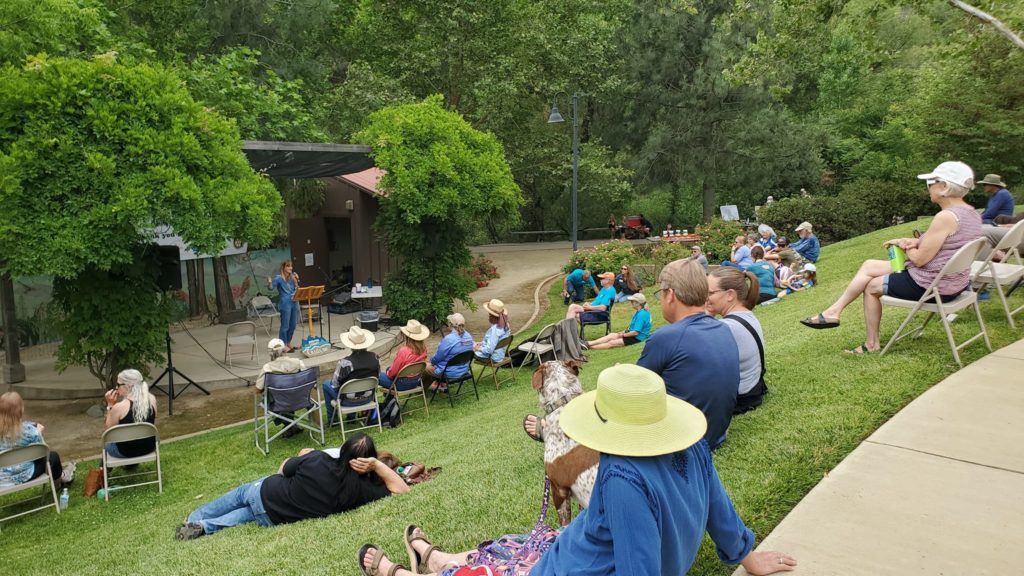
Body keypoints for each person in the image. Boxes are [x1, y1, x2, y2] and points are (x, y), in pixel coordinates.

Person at [356, 365, 796, 576]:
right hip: (569, 551)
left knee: (503, 566)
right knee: (514, 548)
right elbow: (720, 512)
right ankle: (433, 558)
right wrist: (750, 560)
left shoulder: (624, 478)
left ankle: (403, 572)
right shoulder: (694, 448)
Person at [800, 161, 983, 354]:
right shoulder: (971, 214)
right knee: (869, 265)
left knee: (871, 286)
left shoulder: (945, 217)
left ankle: (871, 344)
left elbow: (920, 260)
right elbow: (945, 243)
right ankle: (833, 312)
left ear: (944, 187)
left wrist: (903, 246)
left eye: (930, 182)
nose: (928, 187)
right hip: (954, 282)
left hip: (934, 286)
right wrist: (913, 241)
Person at [176, 433, 408, 541]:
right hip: (273, 516)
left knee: (239, 495)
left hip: (265, 490)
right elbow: (402, 489)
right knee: (247, 515)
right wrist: (377, 465)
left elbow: (285, 467)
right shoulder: (360, 491)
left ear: (343, 450)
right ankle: (204, 526)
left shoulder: (319, 459)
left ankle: (195, 517)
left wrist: (303, 457)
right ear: (368, 461)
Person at [638, 259, 740, 449]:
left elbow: (635, 390)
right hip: (715, 434)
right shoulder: (723, 328)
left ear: (670, 295)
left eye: (660, 293)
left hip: (683, 442)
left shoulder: (666, 337)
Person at [707, 268, 768, 413]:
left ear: (730, 295)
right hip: (752, 390)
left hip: (739, 399)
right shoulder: (746, 315)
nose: (705, 298)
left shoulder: (726, 327)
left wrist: (706, 316)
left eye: (710, 293)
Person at [0, 392, 75, 488]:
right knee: (53, 457)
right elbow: (44, 452)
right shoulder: (29, 432)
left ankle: (63, 476)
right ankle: (59, 483)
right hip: (25, 474)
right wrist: (38, 432)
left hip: (2, 479)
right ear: (21, 410)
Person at [323, 326, 380, 425]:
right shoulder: (376, 358)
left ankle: (333, 420)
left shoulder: (345, 363)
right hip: (369, 398)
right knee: (350, 387)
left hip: (347, 401)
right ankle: (351, 418)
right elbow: (377, 377)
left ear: (350, 345)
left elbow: (335, 385)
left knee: (326, 384)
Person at [255, 338, 309, 439]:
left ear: (270, 353)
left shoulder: (267, 367)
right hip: (300, 400)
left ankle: (289, 425)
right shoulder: (298, 362)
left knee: (275, 396)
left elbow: (257, 390)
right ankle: (291, 425)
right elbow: (308, 382)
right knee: (288, 392)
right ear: (284, 350)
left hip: (278, 403)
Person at [104, 369, 157, 459]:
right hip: (149, 447)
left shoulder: (119, 407)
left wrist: (110, 405)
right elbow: (152, 421)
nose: (116, 388)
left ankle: (103, 470)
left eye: (118, 385)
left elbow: (109, 431)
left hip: (124, 451)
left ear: (128, 386)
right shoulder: (151, 399)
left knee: (107, 443)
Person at [423, 313, 474, 390]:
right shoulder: (469, 337)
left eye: (448, 321)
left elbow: (437, 358)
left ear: (450, 324)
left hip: (449, 373)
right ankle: (431, 386)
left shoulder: (449, 339)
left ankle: (421, 389)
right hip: (464, 371)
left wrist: (432, 362)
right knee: (433, 366)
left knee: (425, 366)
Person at [584, 292, 651, 350]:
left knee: (612, 342)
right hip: (632, 335)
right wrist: (622, 332)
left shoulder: (642, 314)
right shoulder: (639, 312)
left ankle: (589, 346)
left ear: (638, 303)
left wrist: (623, 335)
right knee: (611, 335)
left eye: (632, 301)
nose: (631, 302)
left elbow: (635, 332)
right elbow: (632, 327)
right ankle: (589, 343)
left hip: (637, 338)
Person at [379, 320, 430, 391]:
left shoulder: (404, 351)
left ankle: (389, 400)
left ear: (407, 336)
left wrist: (389, 373)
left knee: (376, 376)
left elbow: (392, 373)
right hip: (416, 381)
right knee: (389, 369)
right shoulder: (424, 349)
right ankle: (390, 401)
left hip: (401, 384)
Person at [268, 260, 300, 351]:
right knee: (285, 325)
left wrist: (297, 280)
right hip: (285, 304)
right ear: (283, 267)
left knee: (293, 325)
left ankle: (288, 342)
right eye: (288, 266)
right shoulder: (278, 278)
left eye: (291, 266)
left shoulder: (292, 277)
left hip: (295, 302)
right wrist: (270, 282)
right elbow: (270, 288)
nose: (290, 268)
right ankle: (283, 344)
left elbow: (297, 289)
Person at [475, 299, 512, 363]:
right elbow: (495, 342)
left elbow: (489, 350)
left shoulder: (495, 329)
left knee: (468, 351)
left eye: (489, 314)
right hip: (500, 355)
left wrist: (478, 348)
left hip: (493, 358)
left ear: (491, 315)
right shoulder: (506, 324)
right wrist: (482, 343)